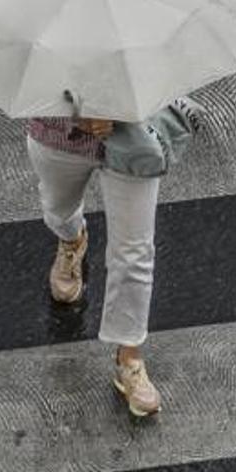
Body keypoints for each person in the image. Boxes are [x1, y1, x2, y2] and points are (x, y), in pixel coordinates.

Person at [23, 114, 162, 416]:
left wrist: (125, 112)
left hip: (134, 137)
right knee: (58, 211)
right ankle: (73, 239)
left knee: (134, 252)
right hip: (58, 135)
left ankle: (129, 358)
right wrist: (74, 117)